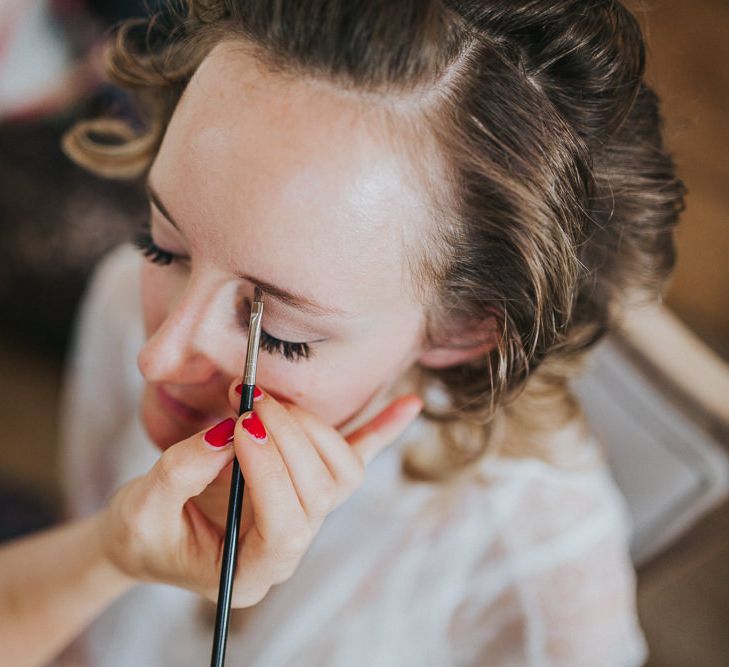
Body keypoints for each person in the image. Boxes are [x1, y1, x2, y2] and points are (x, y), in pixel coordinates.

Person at [22, 0, 687, 664]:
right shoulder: (121, 295)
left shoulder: (533, 559)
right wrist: (109, 552)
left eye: (278, 331)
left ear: (463, 327)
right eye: (163, 245)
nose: (157, 355)